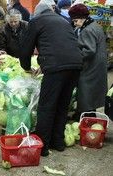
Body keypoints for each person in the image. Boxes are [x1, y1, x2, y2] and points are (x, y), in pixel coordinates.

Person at [19, 1, 83, 156]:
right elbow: (62, 45)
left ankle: (43, 147)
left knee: (46, 107)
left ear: (37, 13)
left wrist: (26, 67)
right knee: (62, 105)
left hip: (56, 69)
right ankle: (58, 142)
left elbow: (25, 49)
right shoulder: (63, 20)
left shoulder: (36, 21)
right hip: (75, 65)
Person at [69, 4, 108, 120]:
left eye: (76, 21)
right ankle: (90, 116)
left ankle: (84, 118)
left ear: (82, 18)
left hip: (90, 67)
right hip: (98, 66)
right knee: (92, 95)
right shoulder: (95, 25)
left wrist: (75, 57)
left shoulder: (87, 30)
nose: (75, 23)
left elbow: (89, 50)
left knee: (86, 92)